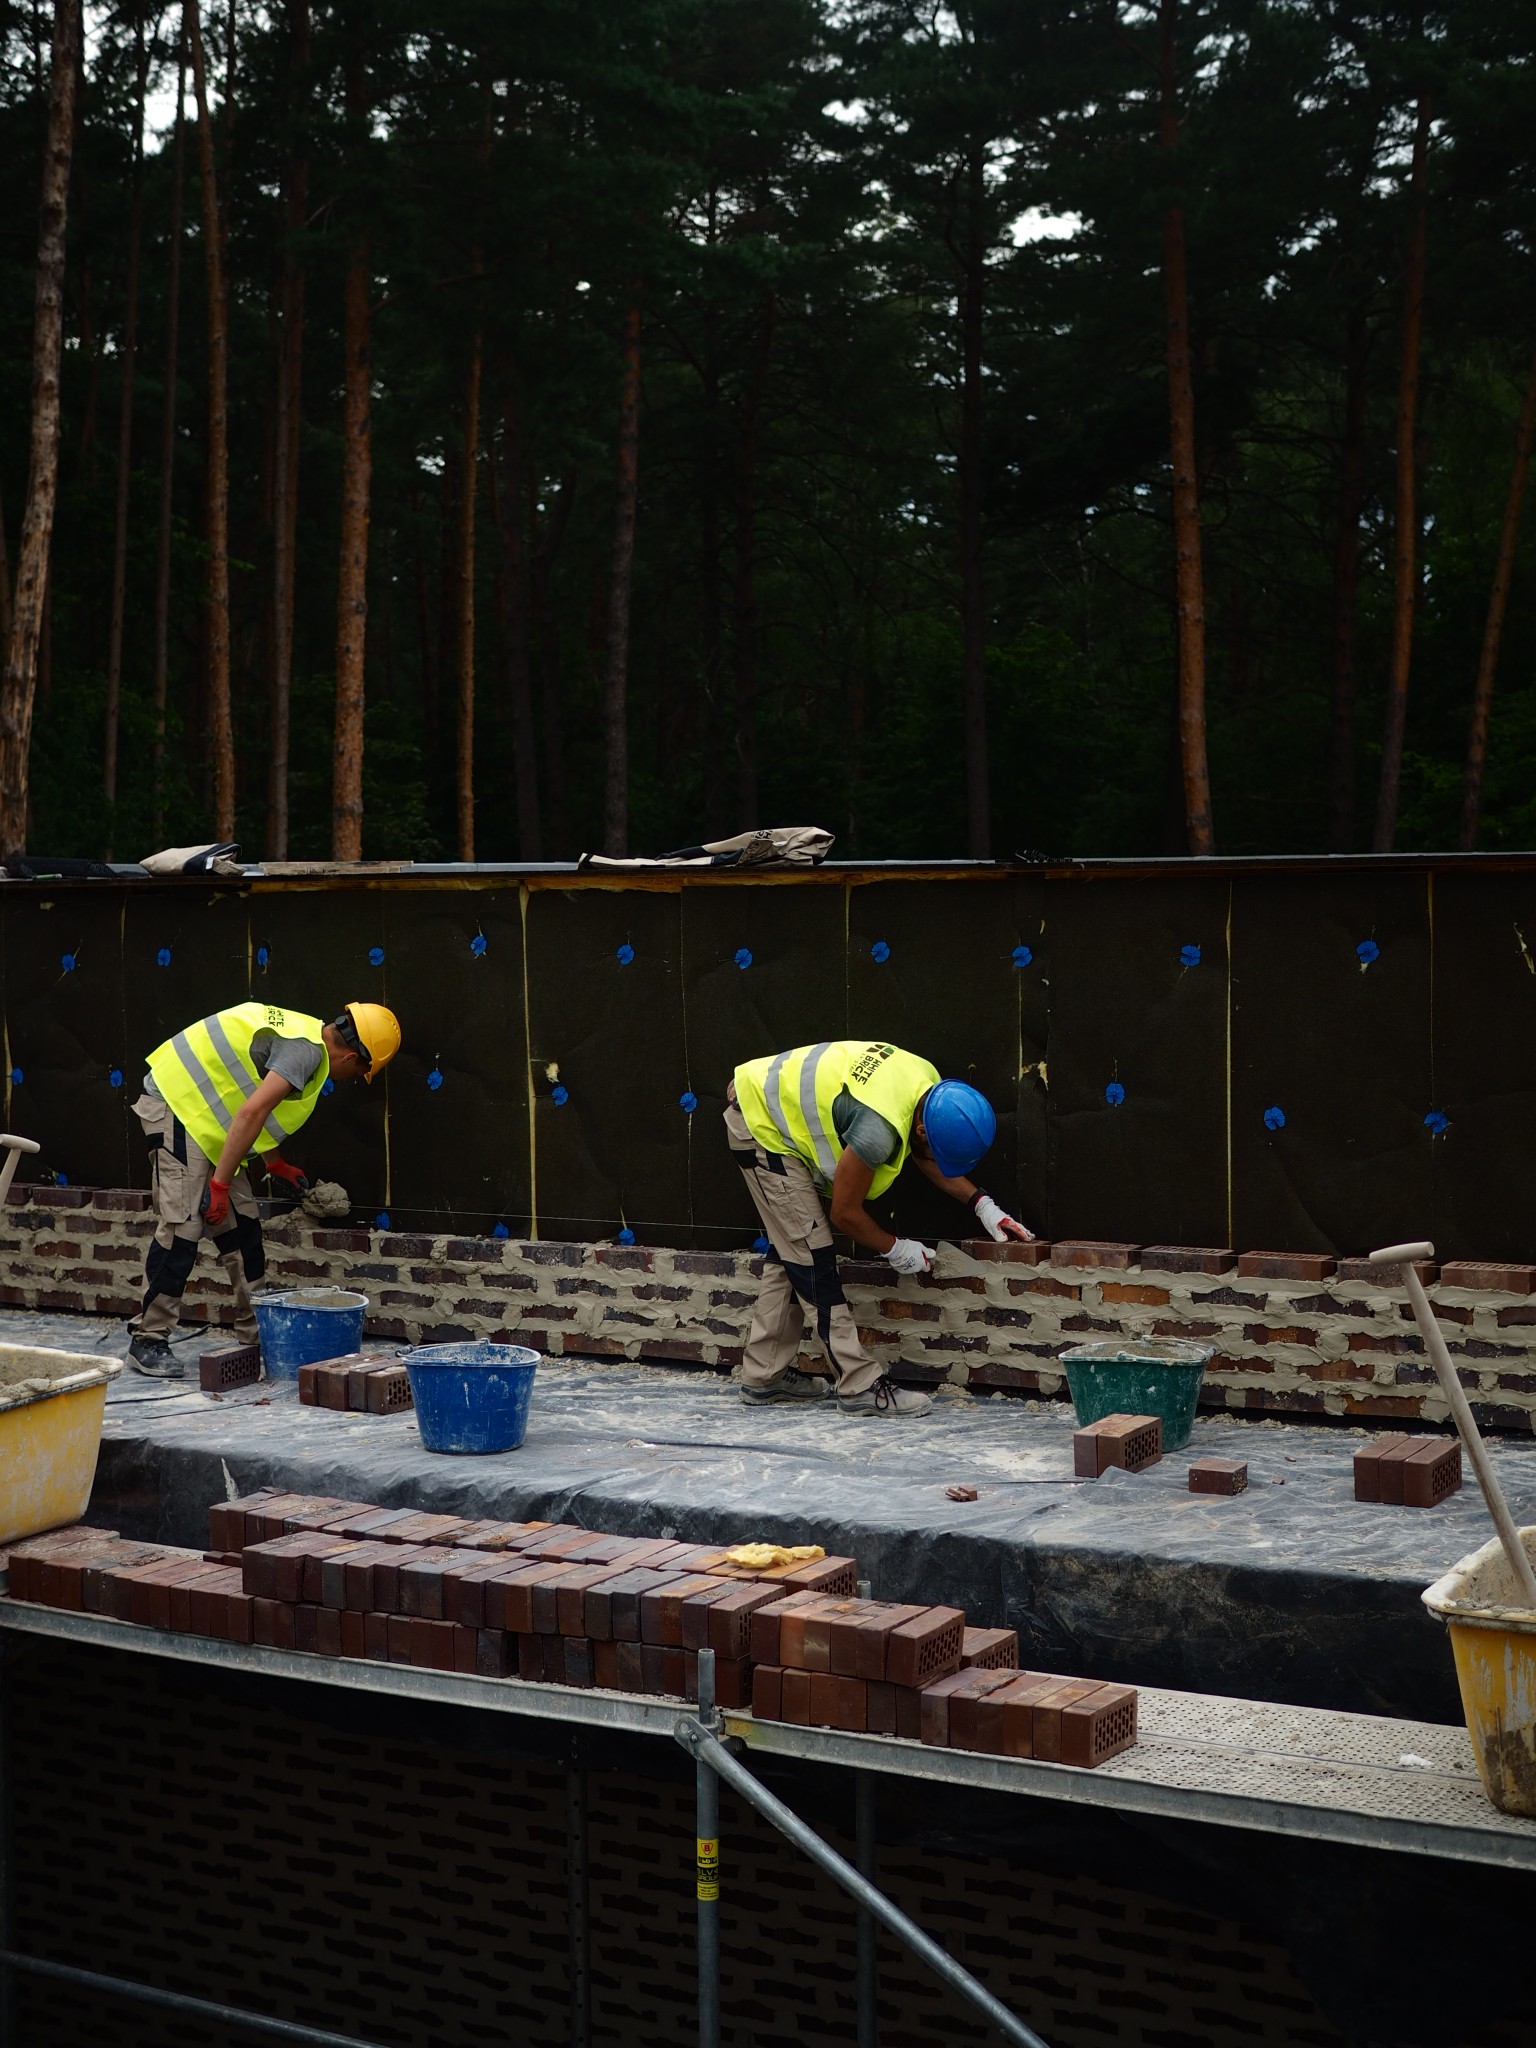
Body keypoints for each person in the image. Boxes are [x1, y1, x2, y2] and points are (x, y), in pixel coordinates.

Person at [726, 1039, 1033, 1418]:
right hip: (759, 1126)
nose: (939, 1161)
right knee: (813, 1255)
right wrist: (894, 1248)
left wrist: (982, 1205)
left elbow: (925, 1152)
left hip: (763, 1101)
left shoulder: (929, 1086)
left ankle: (763, 1375)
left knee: (792, 1251)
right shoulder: (878, 1129)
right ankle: (857, 1384)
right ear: (923, 1130)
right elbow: (845, 1213)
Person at [126, 1000, 402, 1377]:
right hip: (174, 1104)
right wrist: (220, 1185)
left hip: (202, 1118)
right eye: (359, 1072)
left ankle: (255, 1333)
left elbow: (248, 1098)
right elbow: (251, 1113)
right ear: (352, 1057)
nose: (353, 1078)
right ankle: (148, 1338)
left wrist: (274, 1163)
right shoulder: (305, 1053)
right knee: (183, 1226)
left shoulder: (306, 1038)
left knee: (242, 1227)